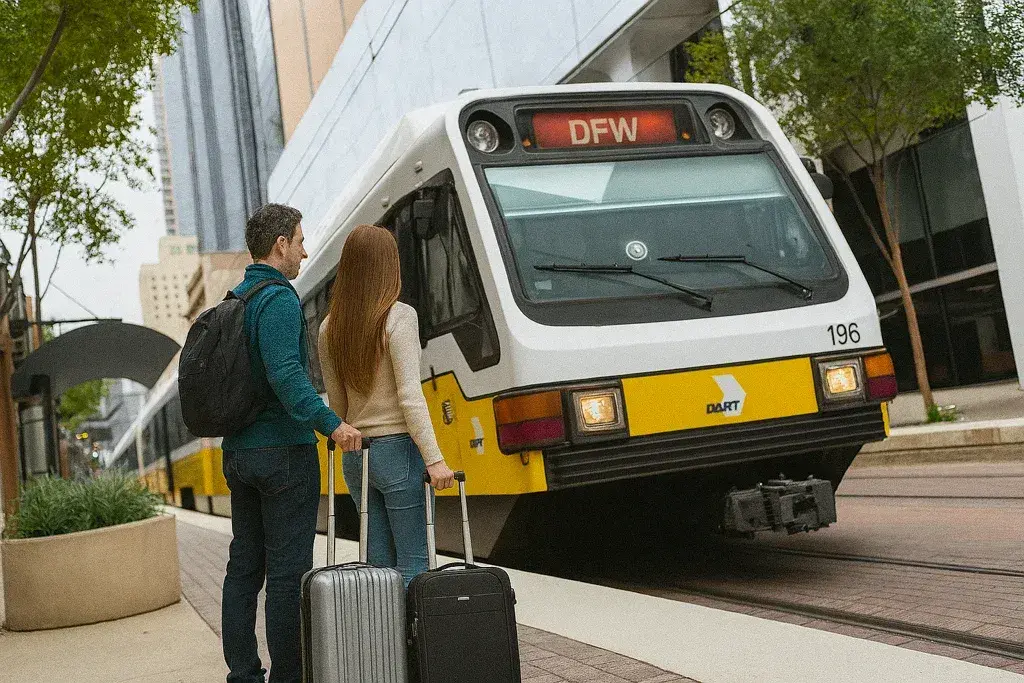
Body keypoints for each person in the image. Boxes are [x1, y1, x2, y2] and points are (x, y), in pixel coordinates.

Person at [220, 203, 362, 683]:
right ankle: (288, 677)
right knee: (286, 576)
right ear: (280, 244)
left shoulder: (235, 298)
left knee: (244, 569)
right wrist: (332, 424)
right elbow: (286, 374)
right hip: (283, 454)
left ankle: (243, 675)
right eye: (300, 241)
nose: (304, 252)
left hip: (239, 454)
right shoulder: (277, 298)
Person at [318, 224, 455, 587]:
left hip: (356, 456)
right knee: (414, 559)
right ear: (388, 266)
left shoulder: (330, 328)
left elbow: (338, 404)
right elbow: (410, 394)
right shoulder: (399, 317)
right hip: (398, 453)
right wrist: (434, 458)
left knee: (378, 564)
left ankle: (385, 641)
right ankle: (415, 642)